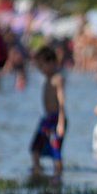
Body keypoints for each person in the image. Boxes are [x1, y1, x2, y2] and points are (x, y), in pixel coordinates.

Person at [30, 46, 67, 176]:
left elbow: (61, 102)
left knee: (55, 150)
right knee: (35, 147)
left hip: (56, 119)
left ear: (51, 62)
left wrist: (61, 123)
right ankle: (37, 170)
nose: (40, 69)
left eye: (42, 65)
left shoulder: (57, 79)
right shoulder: (47, 79)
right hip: (47, 118)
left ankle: (58, 175)